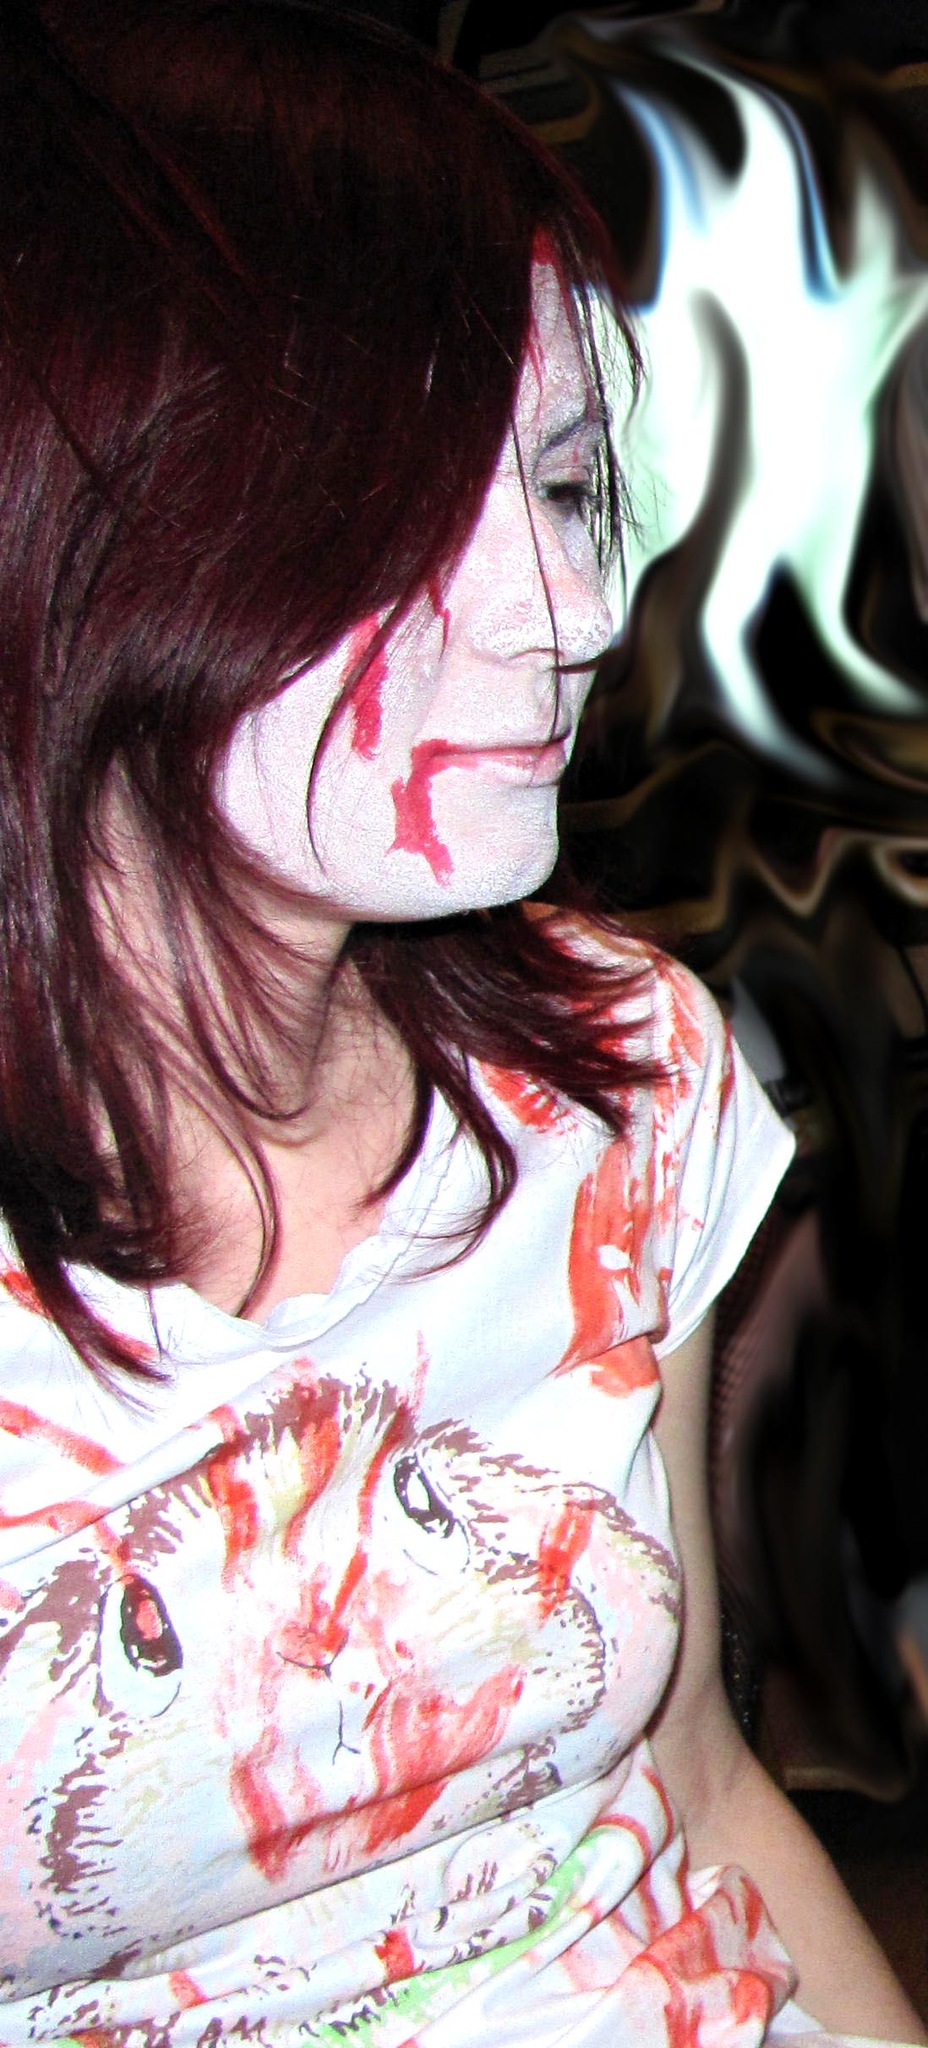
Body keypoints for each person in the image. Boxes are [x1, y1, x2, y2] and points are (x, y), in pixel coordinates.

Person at [0, 4, 922, 2044]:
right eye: (412, 505)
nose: (572, 609)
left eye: (568, 483)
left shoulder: (617, 1073)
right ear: (88, 530)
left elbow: (700, 1794)